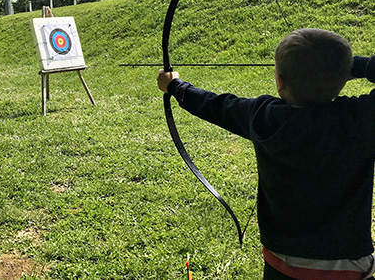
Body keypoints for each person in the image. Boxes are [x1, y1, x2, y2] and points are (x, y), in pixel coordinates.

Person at [157, 28, 375, 280]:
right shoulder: (360, 119)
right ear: (344, 78)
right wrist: (353, 65)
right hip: (346, 268)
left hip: (280, 263)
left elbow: (212, 104)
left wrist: (174, 85)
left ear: (280, 83)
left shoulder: (263, 116)